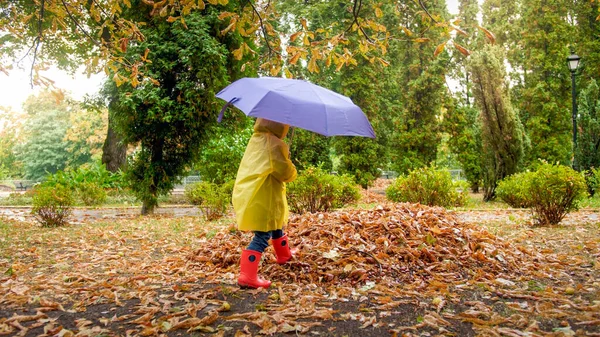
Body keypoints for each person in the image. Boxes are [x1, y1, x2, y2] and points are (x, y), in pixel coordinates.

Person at [232, 118, 298, 289]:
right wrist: (291, 166)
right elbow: (285, 172)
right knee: (262, 235)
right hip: (264, 196)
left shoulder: (257, 139)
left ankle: (284, 255)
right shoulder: (274, 144)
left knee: (276, 225)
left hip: (257, 192)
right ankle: (247, 276)